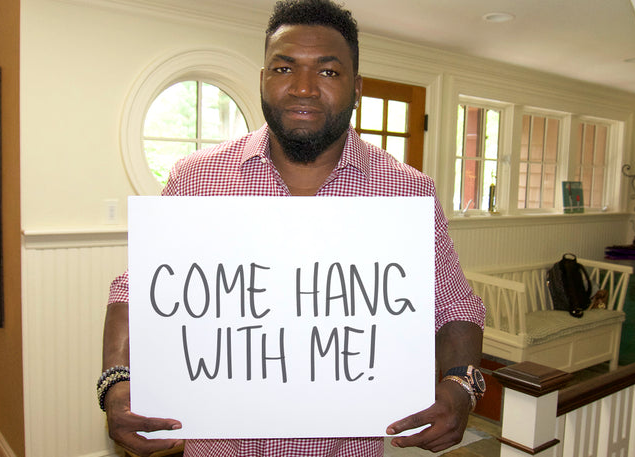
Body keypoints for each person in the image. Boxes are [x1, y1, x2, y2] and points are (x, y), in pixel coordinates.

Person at [99, 1, 486, 456]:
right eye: (284, 68)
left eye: (327, 72)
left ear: (356, 86)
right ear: (263, 79)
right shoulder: (196, 178)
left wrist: (461, 386)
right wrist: (116, 380)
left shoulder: (408, 192)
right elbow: (139, 291)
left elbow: (455, 306)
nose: (303, 88)